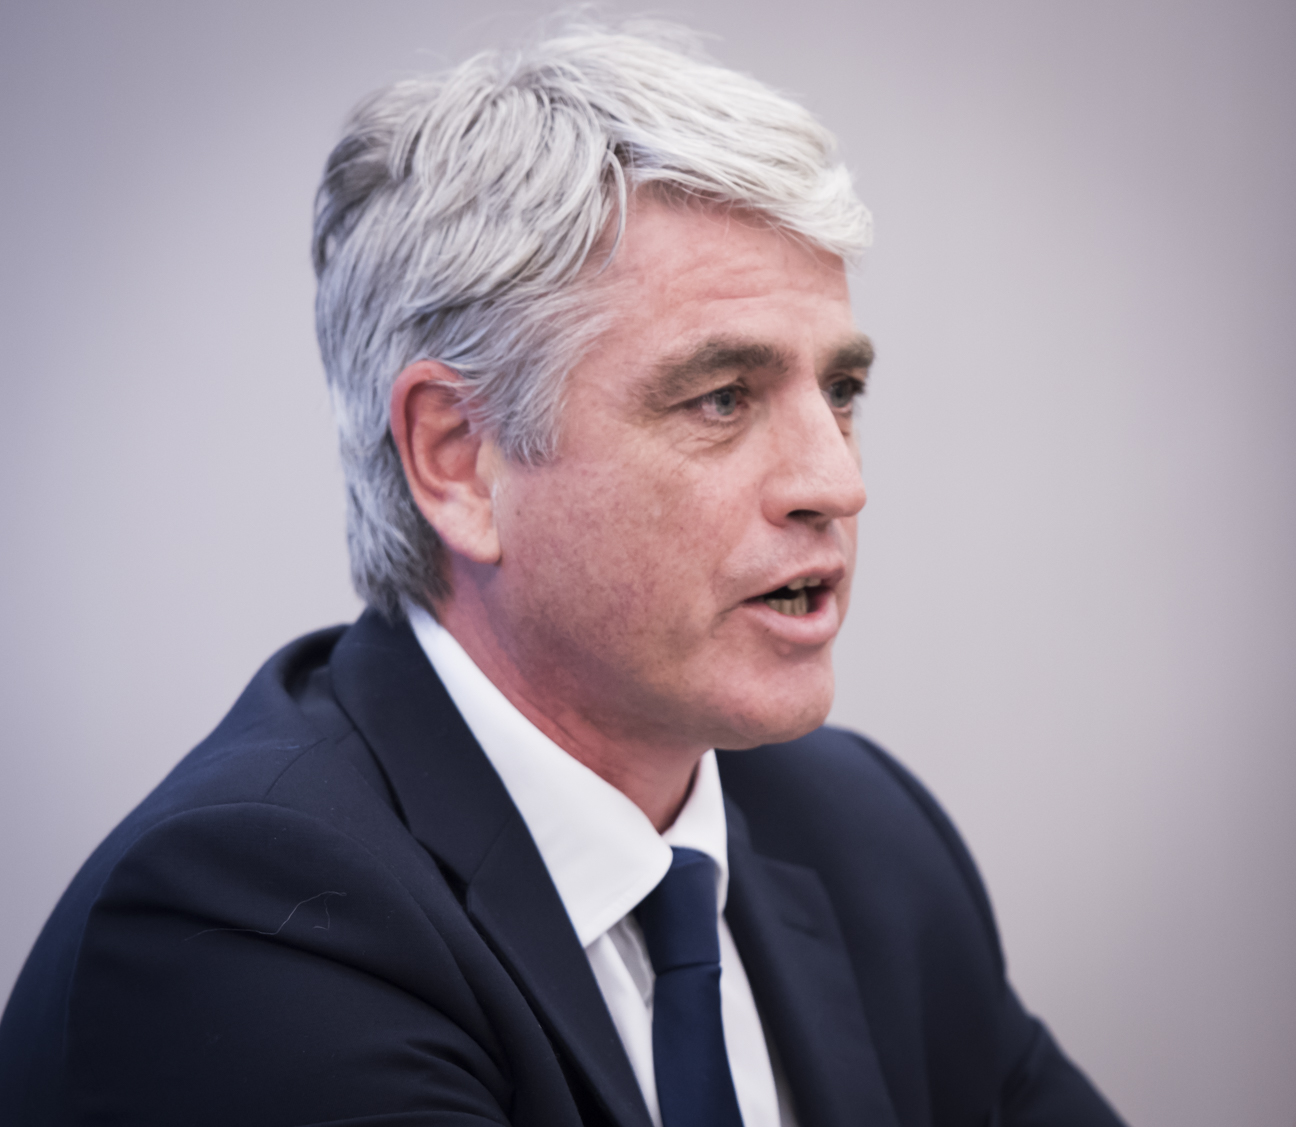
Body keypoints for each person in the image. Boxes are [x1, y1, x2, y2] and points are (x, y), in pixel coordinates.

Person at [0, 25, 1125, 1127]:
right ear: (458, 459)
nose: (836, 480)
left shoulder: (866, 834)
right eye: (721, 397)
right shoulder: (255, 918)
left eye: (840, 392)